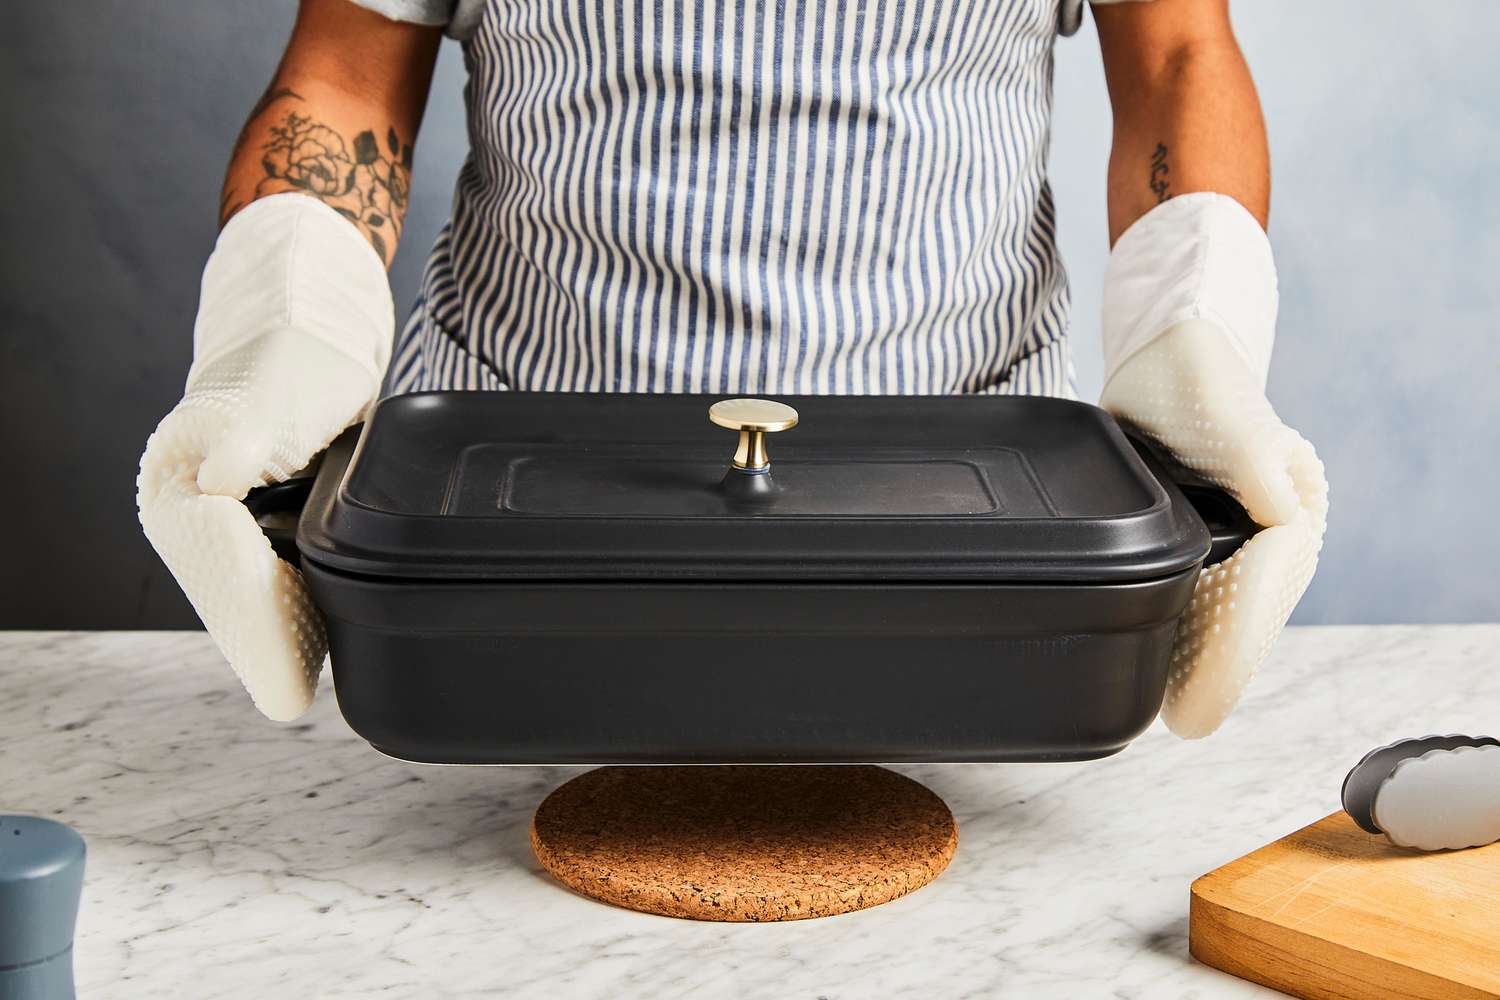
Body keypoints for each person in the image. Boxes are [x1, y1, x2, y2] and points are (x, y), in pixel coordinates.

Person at [137, 0, 1328, 735]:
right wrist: (279, 333)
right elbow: (348, 72)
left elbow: (1176, 50)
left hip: (972, 557)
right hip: (508, 562)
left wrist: (1198, 337)